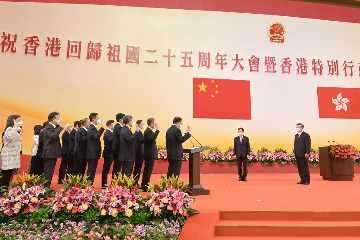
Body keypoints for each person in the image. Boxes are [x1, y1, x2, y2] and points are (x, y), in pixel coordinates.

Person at [0, 115, 23, 190]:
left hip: (14, 154)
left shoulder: (16, 130)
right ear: (13, 121)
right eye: (18, 120)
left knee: (10, 172)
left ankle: (8, 188)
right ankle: (3, 188)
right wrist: (15, 128)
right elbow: (9, 137)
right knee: (6, 172)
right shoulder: (9, 129)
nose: (20, 121)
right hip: (8, 154)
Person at [42, 112, 63, 189]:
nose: (60, 119)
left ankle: (47, 187)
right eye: (58, 118)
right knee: (48, 172)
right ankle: (45, 189)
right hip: (49, 153)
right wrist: (60, 127)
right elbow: (52, 136)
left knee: (50, 172)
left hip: (52, 153)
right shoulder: (48, 127)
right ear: (53, 119)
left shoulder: (53, 127)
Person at [86, 113, 105, 183]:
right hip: (92, 153)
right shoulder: (91, 127)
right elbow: (96, 137)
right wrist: (102, 128)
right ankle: (88, 187)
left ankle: (89, 186)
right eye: (97, 118)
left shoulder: (93, 127)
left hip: (93, 153)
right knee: (91, 171)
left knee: (92, 170)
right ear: (93, 119)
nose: (98, 120)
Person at [142, 118, 160, 189]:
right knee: (148, 169)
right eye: (154, 123)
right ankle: (145, 185)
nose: (155, 124)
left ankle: (145, 184)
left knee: (148, 169)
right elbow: (152, 139)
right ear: (151, 124)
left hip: (149, 153)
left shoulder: (149, 131)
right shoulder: (148, 131)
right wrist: (157, 131)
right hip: (149, 153)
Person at [102, 120, 114, 188]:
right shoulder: (107, 132)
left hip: (110, 153)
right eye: (113, 125)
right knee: (106, 169)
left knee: (107, 168)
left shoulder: (110, 132)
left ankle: (105, 183)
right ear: (109, 125)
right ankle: (104, 184)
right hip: (108, 153)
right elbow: (110, 140)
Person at [112, 113, 125, 178]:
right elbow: (123, 136)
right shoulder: (118, 127)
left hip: (120, 150)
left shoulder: (120, 127)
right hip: (117, 150)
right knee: (117, 167)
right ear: (120, 120)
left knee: (118, 167)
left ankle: (116, 181)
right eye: (124, 118)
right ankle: (114, 182)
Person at [133, 120, 145, 186]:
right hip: (138, 153)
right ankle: (135, 182)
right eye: (142, 124)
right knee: (137, 168)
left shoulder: (140, 132)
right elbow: (140, 140)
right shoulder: (138, 132)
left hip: (140, 153)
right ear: (138, 125)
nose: (143, 125)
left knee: (138, 168)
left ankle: (136, 182)